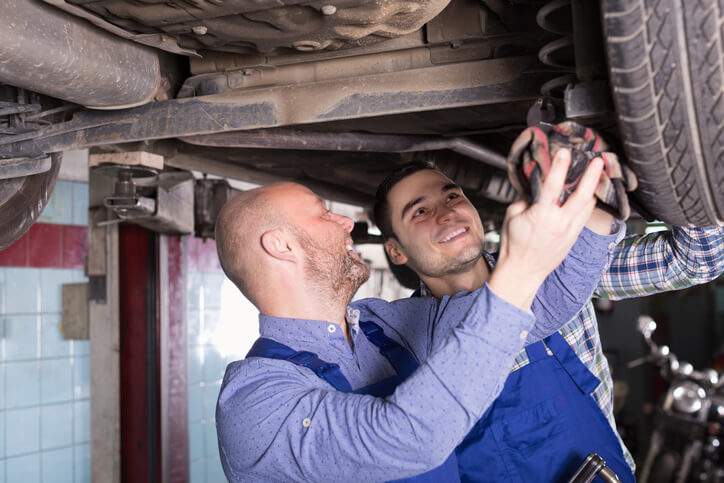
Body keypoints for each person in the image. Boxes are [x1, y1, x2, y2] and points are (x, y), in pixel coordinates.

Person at [214, 154, 613, 482]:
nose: (346, 222)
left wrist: (599, 198)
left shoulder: (383, 326)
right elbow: (408, 437)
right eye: (324, 214)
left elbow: (540, 305)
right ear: (281, 245)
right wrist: (519, 267)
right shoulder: (255, 401)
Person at [372, 151, 724, 482]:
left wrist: (664, 161)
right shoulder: (402, 346)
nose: (446, 214)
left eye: (452, 197)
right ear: (396, 251)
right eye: (419, 212)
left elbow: (697, 258)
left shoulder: (559, 266)